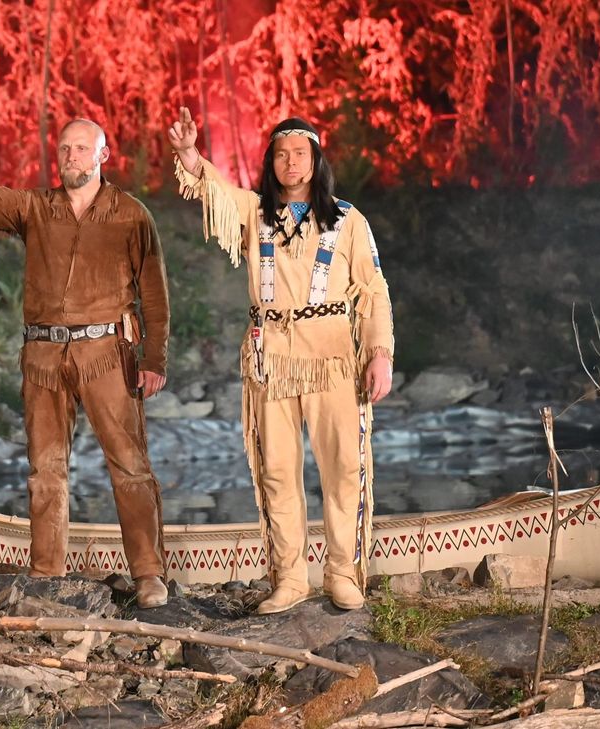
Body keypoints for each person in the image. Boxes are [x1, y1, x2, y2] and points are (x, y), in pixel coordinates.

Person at [0, 120, 171, 608]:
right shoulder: (36, 209)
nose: (71, 155)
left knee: (130, 466)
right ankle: (46, 572)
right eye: (65, 148)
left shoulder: (131, 215)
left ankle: (149, 574)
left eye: (82, 148)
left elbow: (154, 291)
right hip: (44, 356)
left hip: (107, 354)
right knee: (45, 470)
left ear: (102, 156)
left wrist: (154, 358)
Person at [167, 108, 394, 614]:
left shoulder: (346, 219)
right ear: (271, 162)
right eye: (281, 154)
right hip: (270, 359)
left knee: (344, 468)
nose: (291, 162)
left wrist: (379, 353)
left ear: (316, 160)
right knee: (277, 472)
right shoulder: (256, 213)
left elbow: (374, 290)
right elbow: (215, 193)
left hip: (333, 359)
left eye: (300, 153)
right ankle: (289, 578)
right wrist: (188, 154)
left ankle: (342, 574)